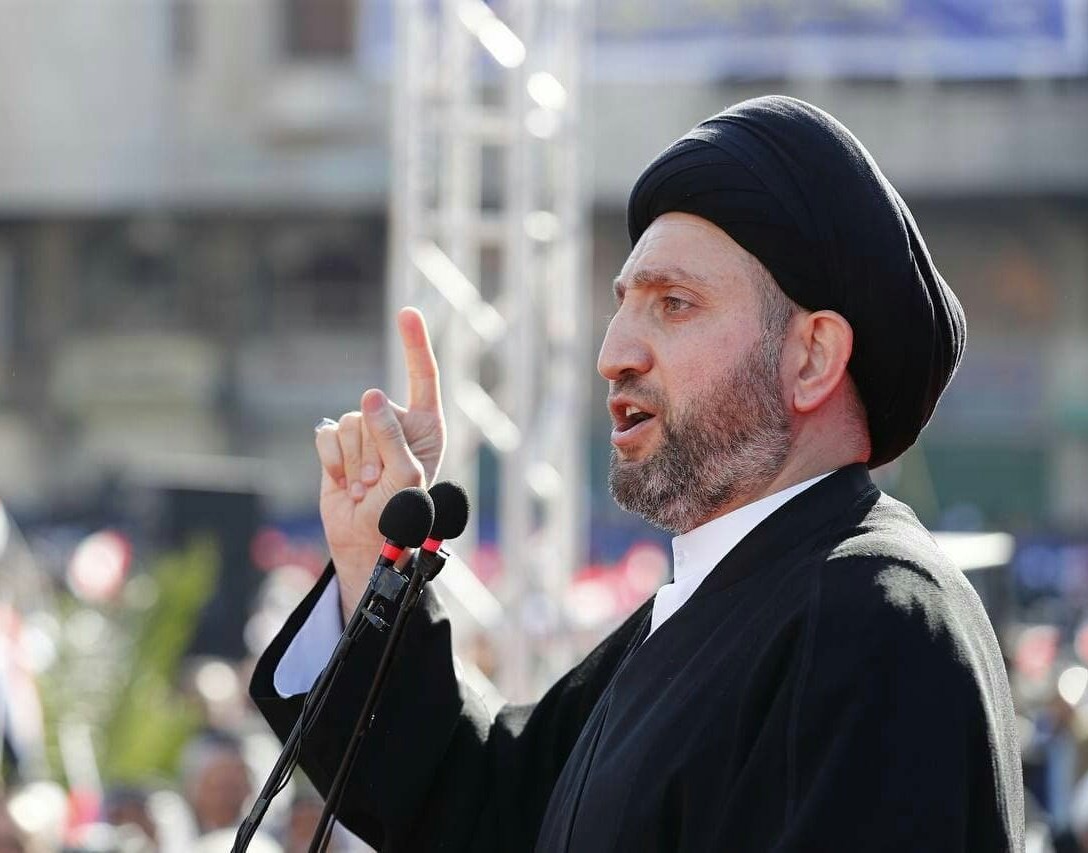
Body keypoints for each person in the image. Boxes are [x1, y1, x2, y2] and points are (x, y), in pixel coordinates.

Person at [250, 95, 1024, 851]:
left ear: (812, 357)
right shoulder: (716, 607)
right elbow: (479, 807)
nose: (614, 354)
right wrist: (373, 565)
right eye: (624, 304)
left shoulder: (870, 620)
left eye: (674, 303)